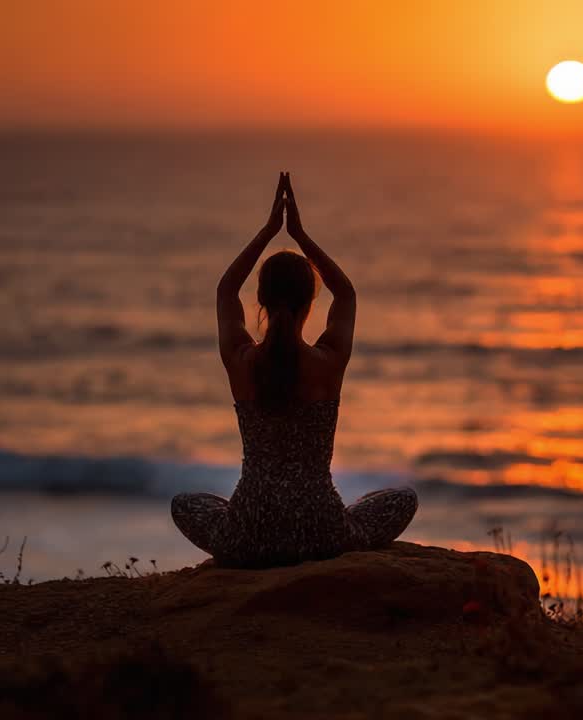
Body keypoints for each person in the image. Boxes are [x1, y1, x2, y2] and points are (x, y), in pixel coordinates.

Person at [171, 172, 416, 568]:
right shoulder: (329, 361)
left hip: (248, 535)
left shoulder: (240, 360)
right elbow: (348, 293)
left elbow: (224, 291)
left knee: (184, 503)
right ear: (309, 303)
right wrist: (300, 236)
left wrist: (269, 232)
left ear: (261, 301)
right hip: (322, 532)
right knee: (403, 499)